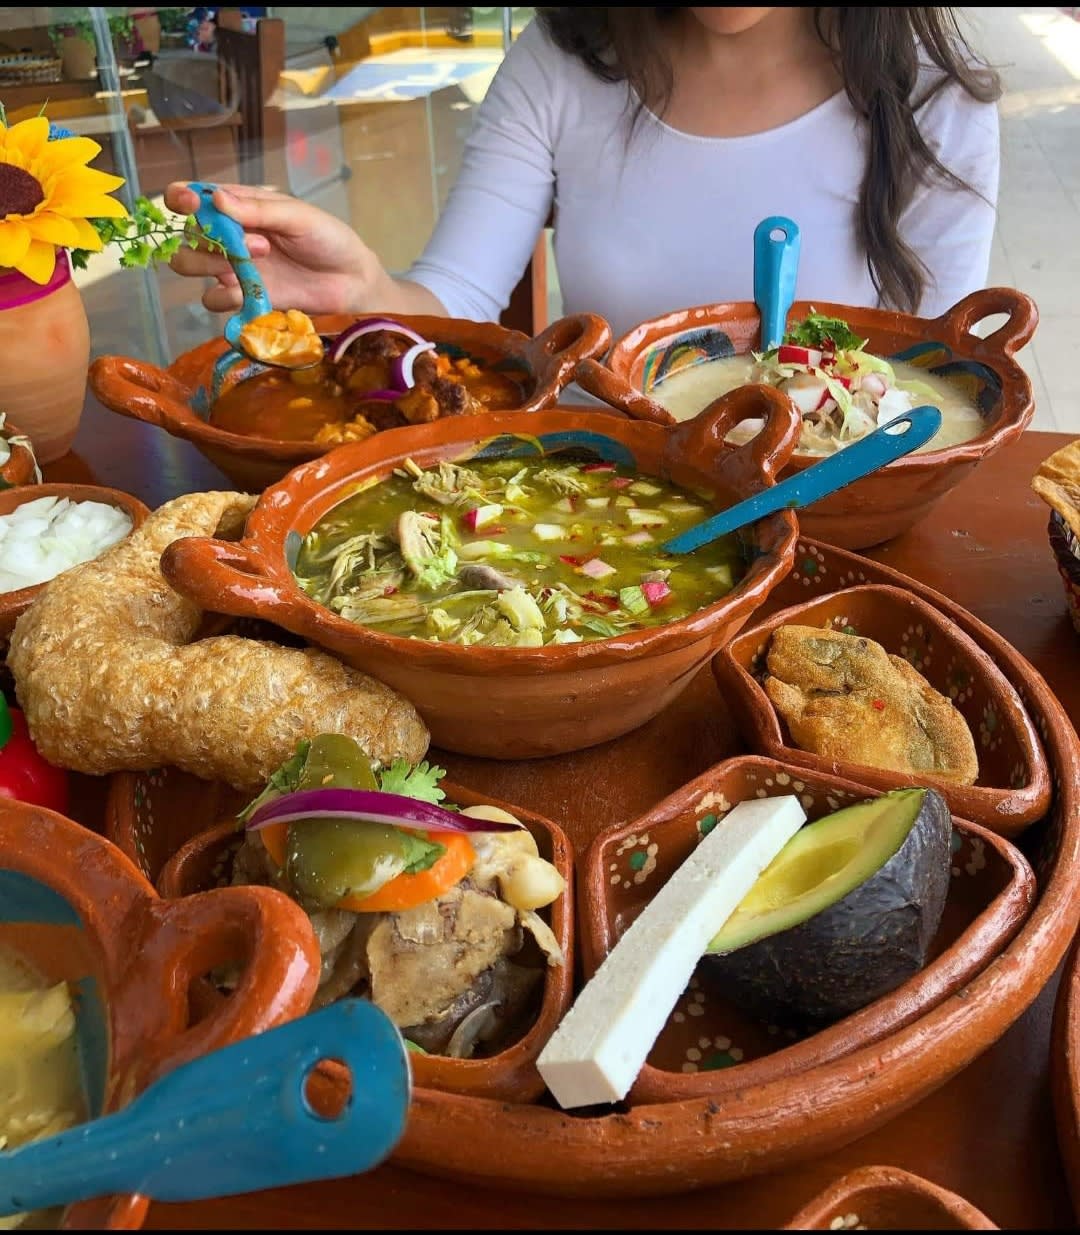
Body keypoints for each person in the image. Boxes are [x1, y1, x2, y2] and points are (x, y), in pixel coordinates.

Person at [164, 7, 1002, 340]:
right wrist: (358, 288)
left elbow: (934, 391)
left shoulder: (934, 100)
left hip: (838, 521)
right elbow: (455, 298)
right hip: (598, 512)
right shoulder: (562, 63)